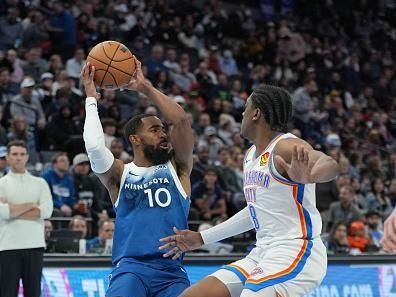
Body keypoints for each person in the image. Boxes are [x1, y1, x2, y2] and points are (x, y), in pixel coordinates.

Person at [160, 85, 340, 297]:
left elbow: (330, 164)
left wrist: (311, 175)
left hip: (297, 249)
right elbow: (255, 212)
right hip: (262, 252)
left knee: (252, 294)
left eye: (247, 107)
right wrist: (202, 238)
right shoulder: (250, 155)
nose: (242, 113)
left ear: (256, 113)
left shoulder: (284, 146)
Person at [80, 58, 194, 297]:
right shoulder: (120, 174)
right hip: (131, 269)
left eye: (163, 129)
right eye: (154, 130)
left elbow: (182, 121)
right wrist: (91, 98)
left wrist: (146, 88)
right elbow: (93, 147)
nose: (163, 134)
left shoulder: (179, 167)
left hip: (172, 273)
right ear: (135, 139)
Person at [0, 140, 53, 297]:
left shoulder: (40, 183)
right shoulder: (1, 184)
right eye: (15, 154)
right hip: (8, 246)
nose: (19, 158)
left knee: (33, 292)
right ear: (7, 157)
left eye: (22, 154)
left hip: (34, 244)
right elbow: (3, 213)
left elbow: (47, 211)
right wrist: (32, 205)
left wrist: (12, 209)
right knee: (7, 292)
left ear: (27, 157)